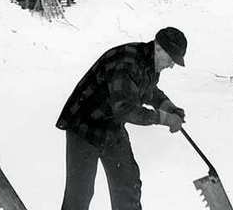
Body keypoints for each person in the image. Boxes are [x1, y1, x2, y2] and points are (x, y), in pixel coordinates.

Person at [56, 27, 188, 210]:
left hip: (111, 126)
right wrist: (165, 119)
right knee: (80, 193)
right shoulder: (127, 61)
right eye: (171, 59)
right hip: (85, 125)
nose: (172, 65)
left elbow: (147, 89)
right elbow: (126, 110)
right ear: (158, 48)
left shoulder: (149, 63)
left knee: (127, 184)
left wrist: (168, 106)